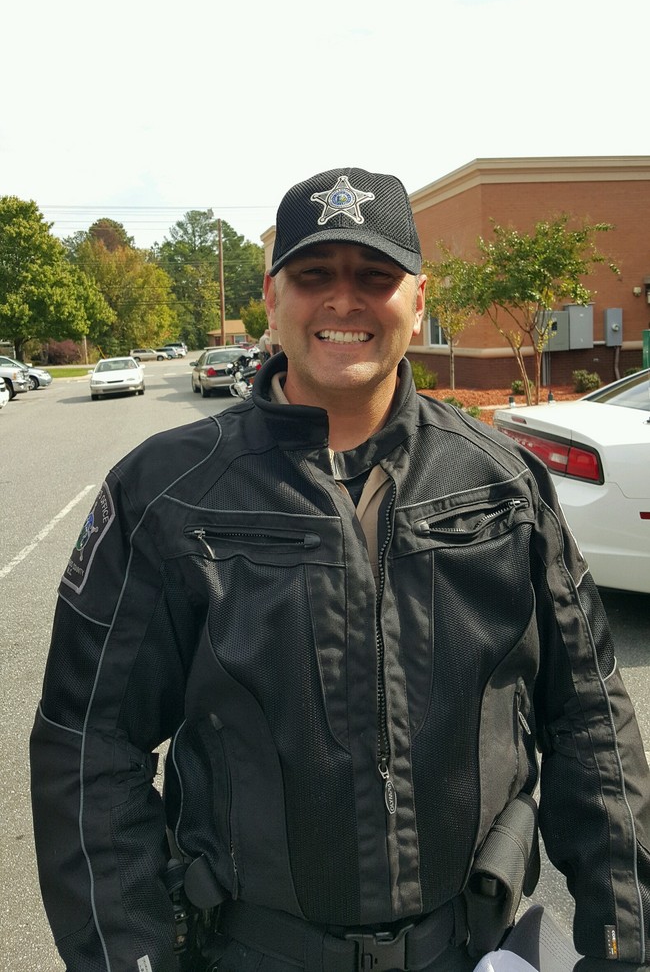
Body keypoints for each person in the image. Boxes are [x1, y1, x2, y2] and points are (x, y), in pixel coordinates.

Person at [30, 167, 650, 972]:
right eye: (314, 274)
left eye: (375, 276)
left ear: (419, 300)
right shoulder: (166, 494)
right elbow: (88, 744)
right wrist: (130, 955)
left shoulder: (504, 486)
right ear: (271, 298)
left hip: (470, 946)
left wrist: (623, 939)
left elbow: (590, 720)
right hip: (250, 953)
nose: (344, 300)